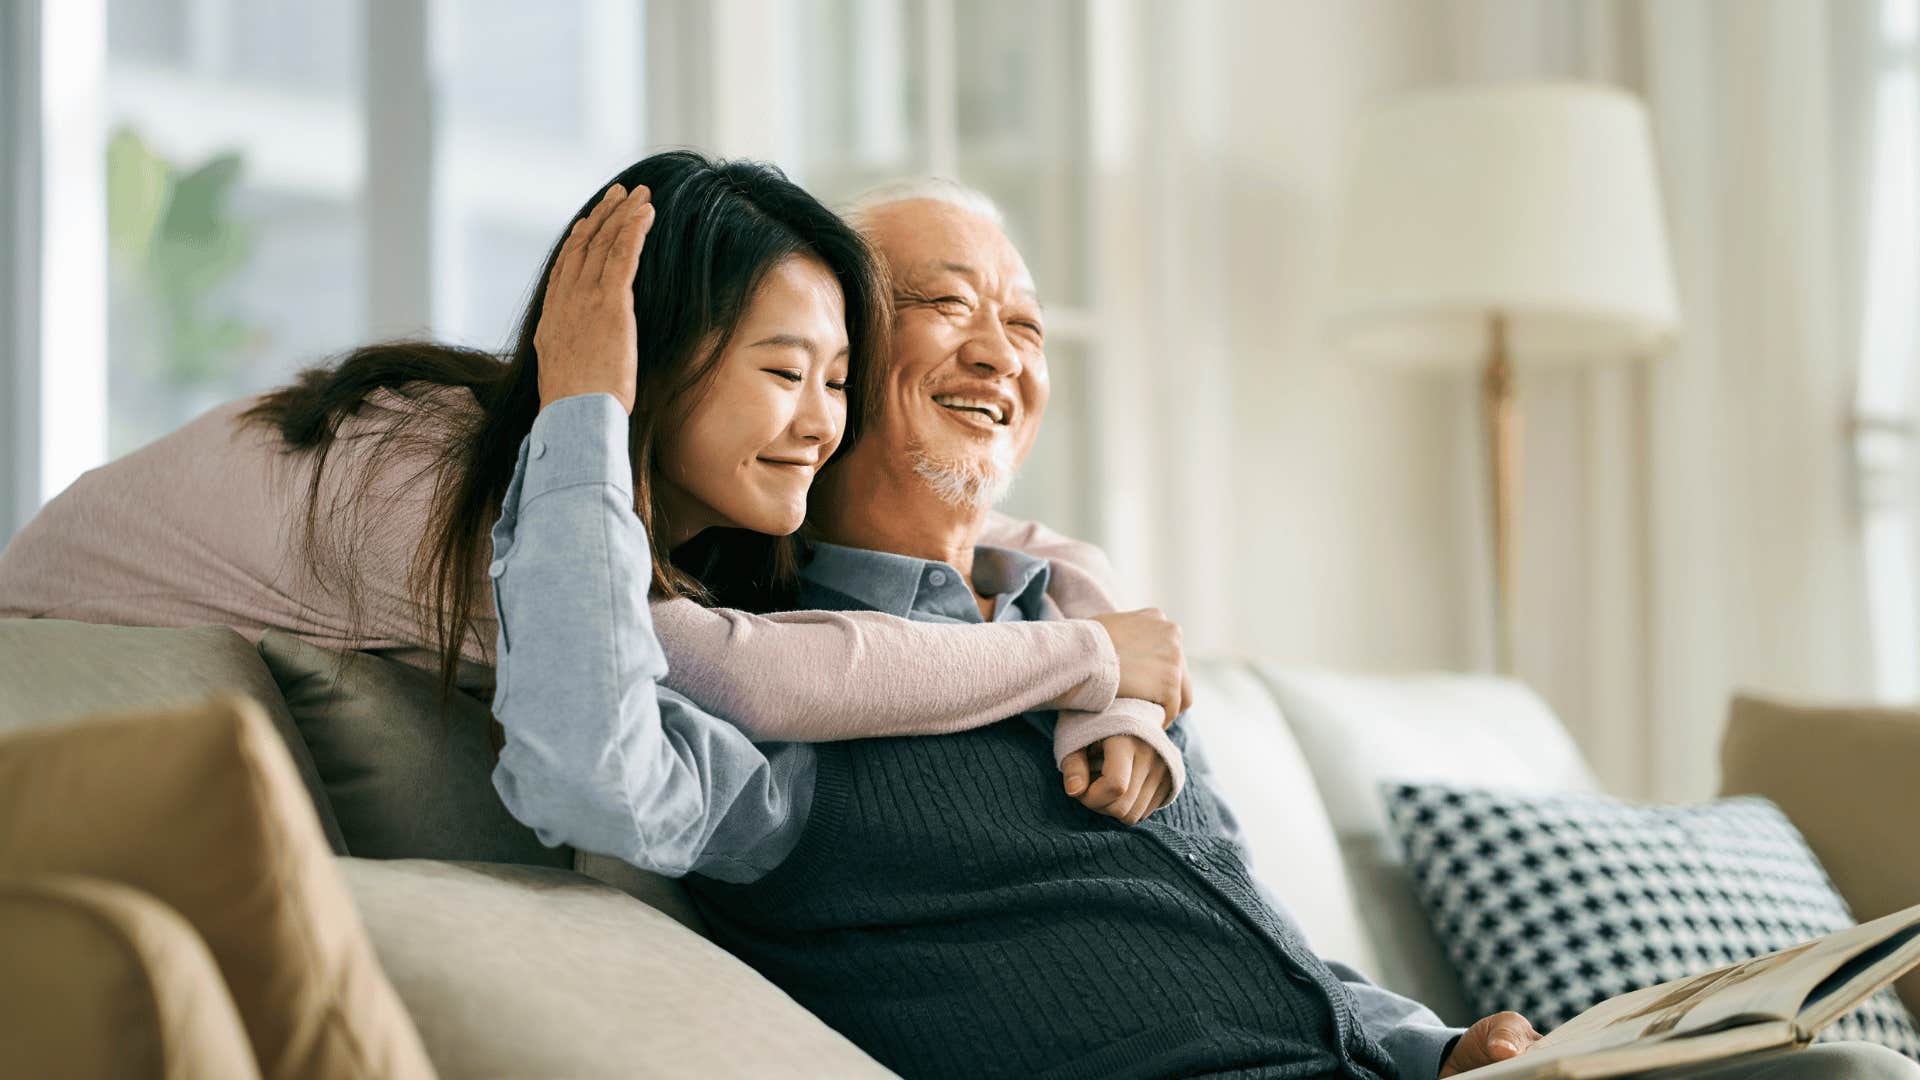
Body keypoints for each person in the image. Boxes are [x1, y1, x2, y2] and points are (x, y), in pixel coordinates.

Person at [485, 177, 1920, 1080]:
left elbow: (1257, 942)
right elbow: (583, 774)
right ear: (839, 379)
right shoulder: (772, 704)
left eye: (1028, 325)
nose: (1002, 354)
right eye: (944, 308)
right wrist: (585, 418)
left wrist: (1436, 1046)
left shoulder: (1093, 634)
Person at [0, 151, 1182, 822]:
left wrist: (1116, 671)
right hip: (58, 716)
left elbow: (1010, 535)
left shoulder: (711, 489)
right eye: (785, 372)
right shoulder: (443, 485)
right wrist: (1082, 661)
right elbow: (741, 673)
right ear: (648, 363)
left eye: (839, 379)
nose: (822, 424)